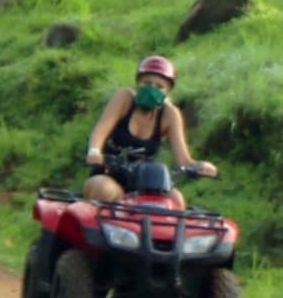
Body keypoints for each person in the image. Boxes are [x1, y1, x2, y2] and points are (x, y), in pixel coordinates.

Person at [85, 54, 216, 202]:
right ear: (138, 84)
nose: (152, 89)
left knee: (175, 199)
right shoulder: (125, 98)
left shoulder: (170, 114)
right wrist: (94, 151)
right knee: (105, 190)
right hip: (109, 173)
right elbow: (100, 131)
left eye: (159, 86)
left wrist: (202, 167)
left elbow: (184, 161)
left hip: (145, 182)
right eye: (147, 83)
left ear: (168, 91)